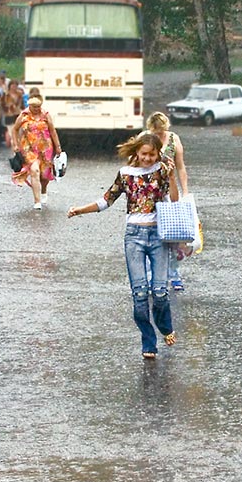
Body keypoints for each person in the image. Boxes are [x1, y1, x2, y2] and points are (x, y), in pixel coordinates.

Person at [67, 133, 179, 360]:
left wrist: (173, 176)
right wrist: (80, 210)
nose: (148, 158)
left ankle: (165, 326)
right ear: (137, 152)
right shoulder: (125, 174)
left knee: (159, 292)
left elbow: (174, 200)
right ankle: (149, 341)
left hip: (159, 235)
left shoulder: (162, 171)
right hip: (134, 236)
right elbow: (106, 200)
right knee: (139, 294)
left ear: (158, 154)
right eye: (144, 154)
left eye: (152, 154)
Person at [145, 111, 190, 291]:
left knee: (173, 236)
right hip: (149, 192)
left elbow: (180, 166)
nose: (158, 135)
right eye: (155, 132)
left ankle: (174, 275)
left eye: (161, 132)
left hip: (169, 191)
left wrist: (185, 192)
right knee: (150, 235)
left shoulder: (173, 139)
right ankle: (150, 277)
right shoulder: (145, 138)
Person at [12, 95, 62, 210]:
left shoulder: (45, 115)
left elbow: (53, 131)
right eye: (34, 107)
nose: (37, 109)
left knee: (44, 176)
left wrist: (58, 146)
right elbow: (14, 129)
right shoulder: (24, 115)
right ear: (29, 106)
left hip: (45, 149)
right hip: (28, 149)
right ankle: (37, 201)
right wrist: (15, 144)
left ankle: (44, 190)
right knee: (35, 171)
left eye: (39, 106)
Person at [1, 79, 25, 148]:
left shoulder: (19, 94)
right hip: (9, 114)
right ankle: (14, 147)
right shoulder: (6, 94)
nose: (14, 87)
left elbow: (22, 104)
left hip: (18, 114)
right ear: (10, 86)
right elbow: (2, 104)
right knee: (11, 132)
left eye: (15, 85)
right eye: (12, 85)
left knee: (19, 133)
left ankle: (18, 148)